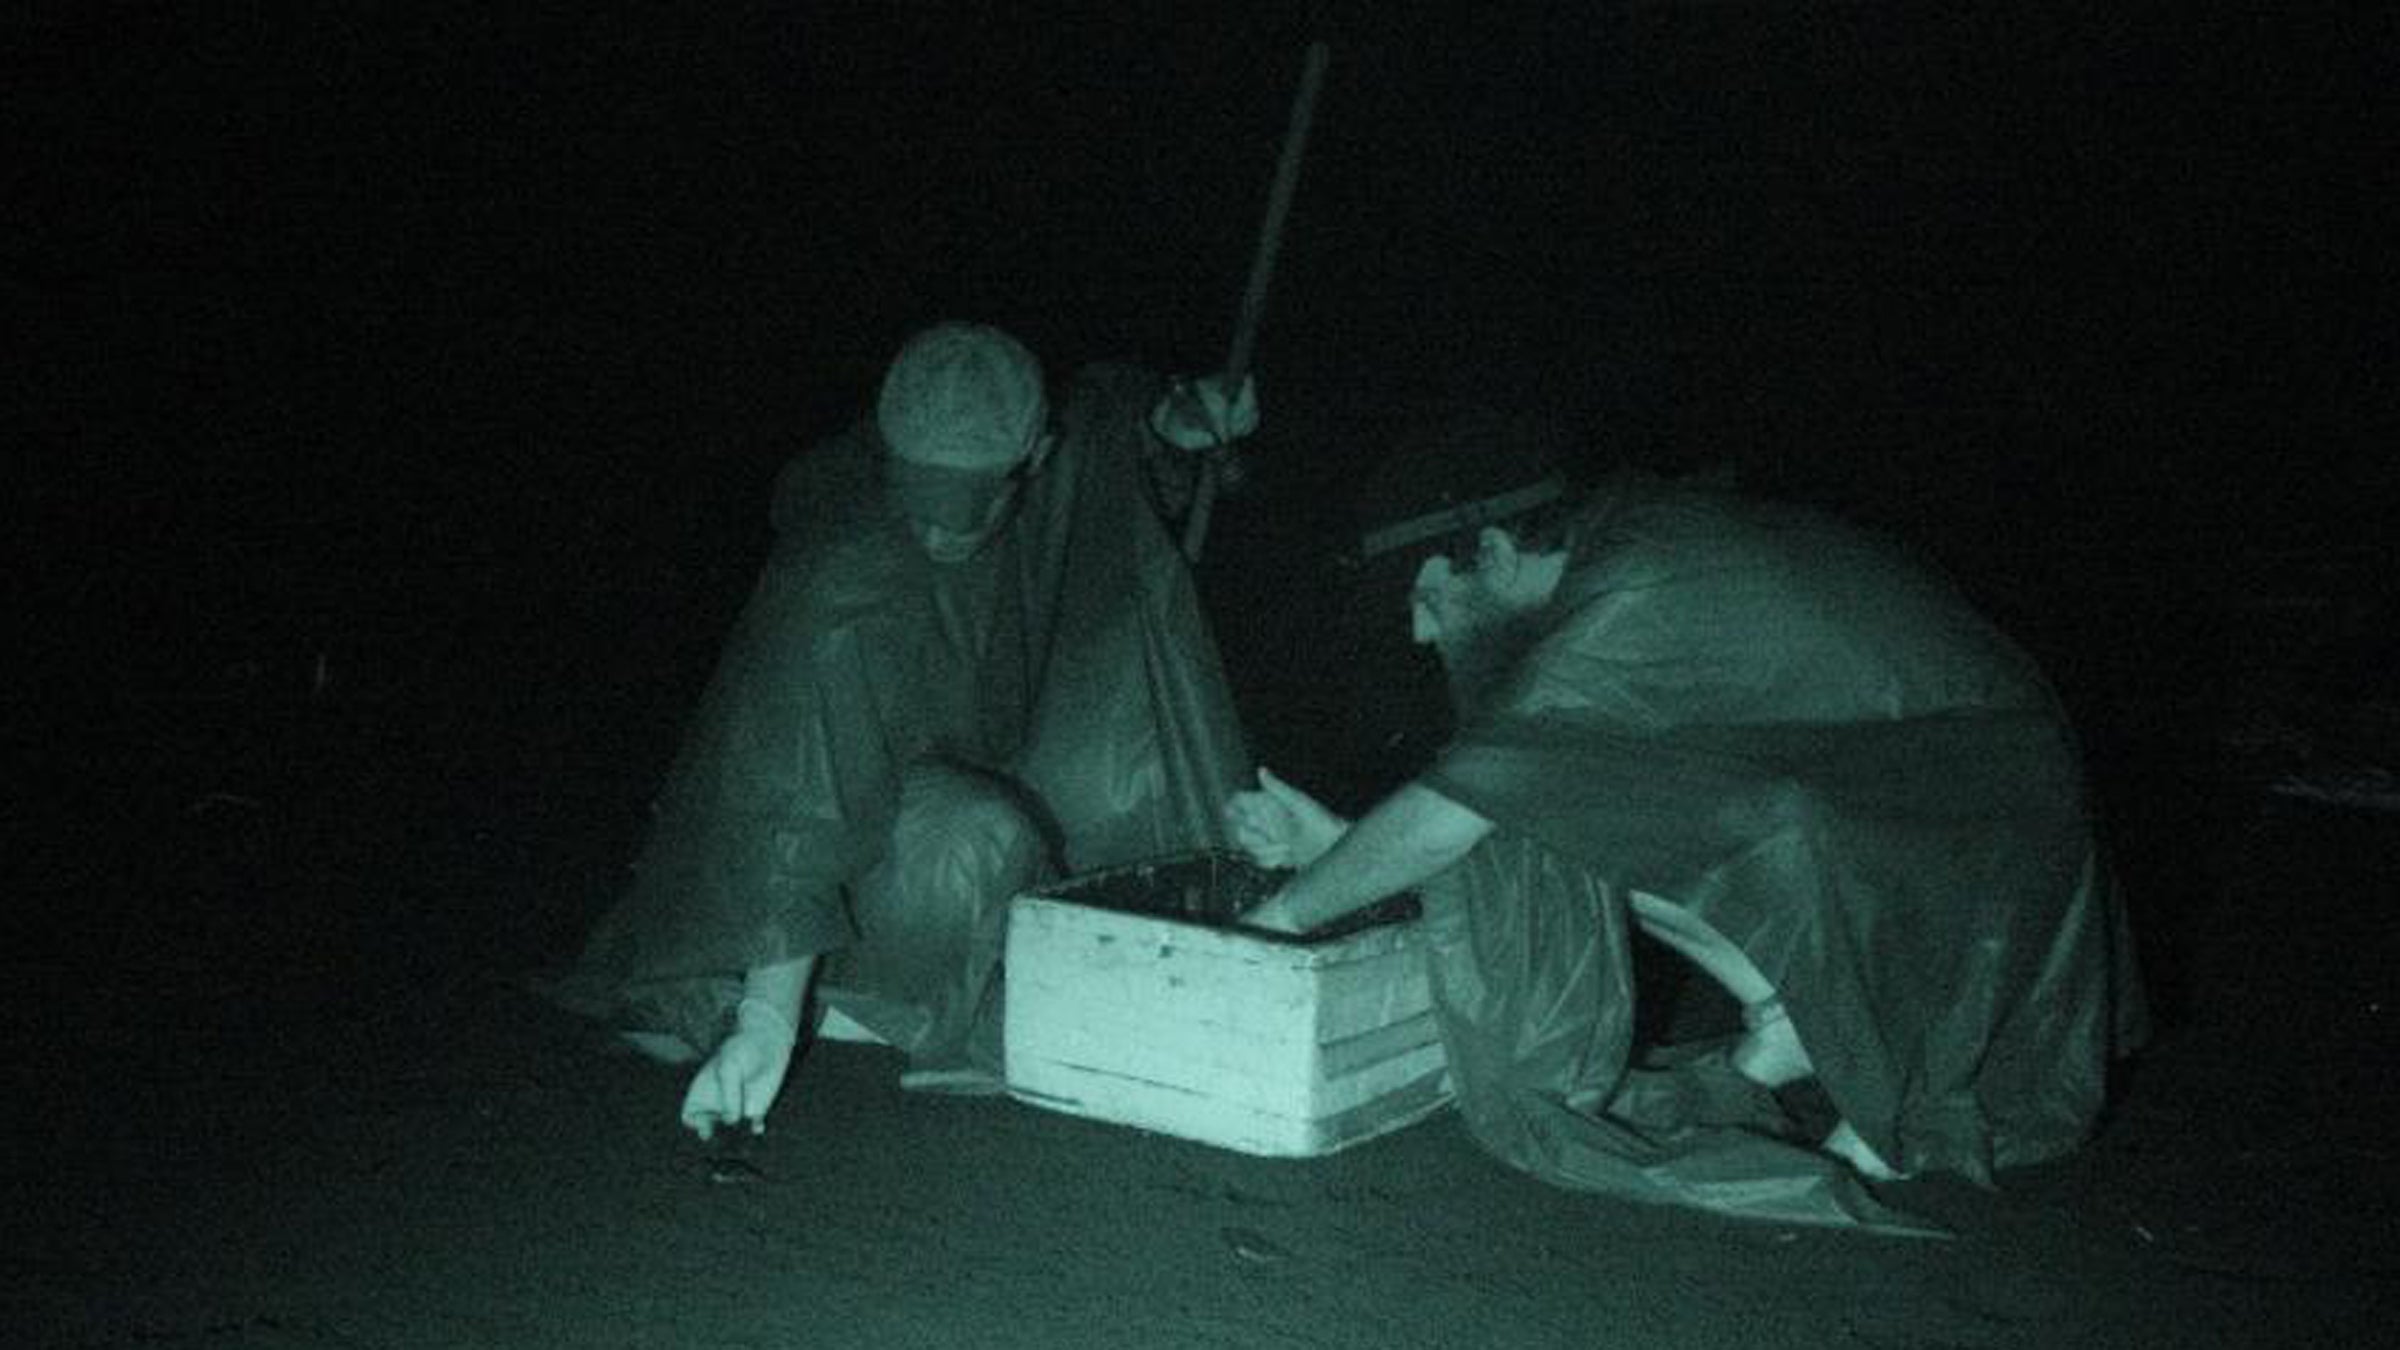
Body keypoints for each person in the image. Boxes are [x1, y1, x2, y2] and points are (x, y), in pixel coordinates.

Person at [1225, 417, 2147, 1231]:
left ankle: (1890, 1085)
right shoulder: (1632, 545)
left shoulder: (1631, 589)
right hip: (1898, 792)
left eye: (1428, 601)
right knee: (1572, 814)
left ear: (1496, 552)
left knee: (1550, 812)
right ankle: (1790, 1014)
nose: (1424, 638)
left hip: (1987, 820)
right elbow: (1533, 807)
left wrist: (1271, 925)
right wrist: (1334, 845)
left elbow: (1456, 814)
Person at [543, 321, 1258, 1140]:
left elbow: (1103, 419)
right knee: (980, 838)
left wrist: (1174, 421)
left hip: (952, 774)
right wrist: (766, 1022)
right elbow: (800, 805)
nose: (940, 534)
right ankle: (836, 995)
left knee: (1102, 792)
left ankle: (911, 981)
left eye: (971, 505)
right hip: (825, 822)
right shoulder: (845, 562)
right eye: (924, 503)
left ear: (1031, 457)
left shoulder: (1059, 463)